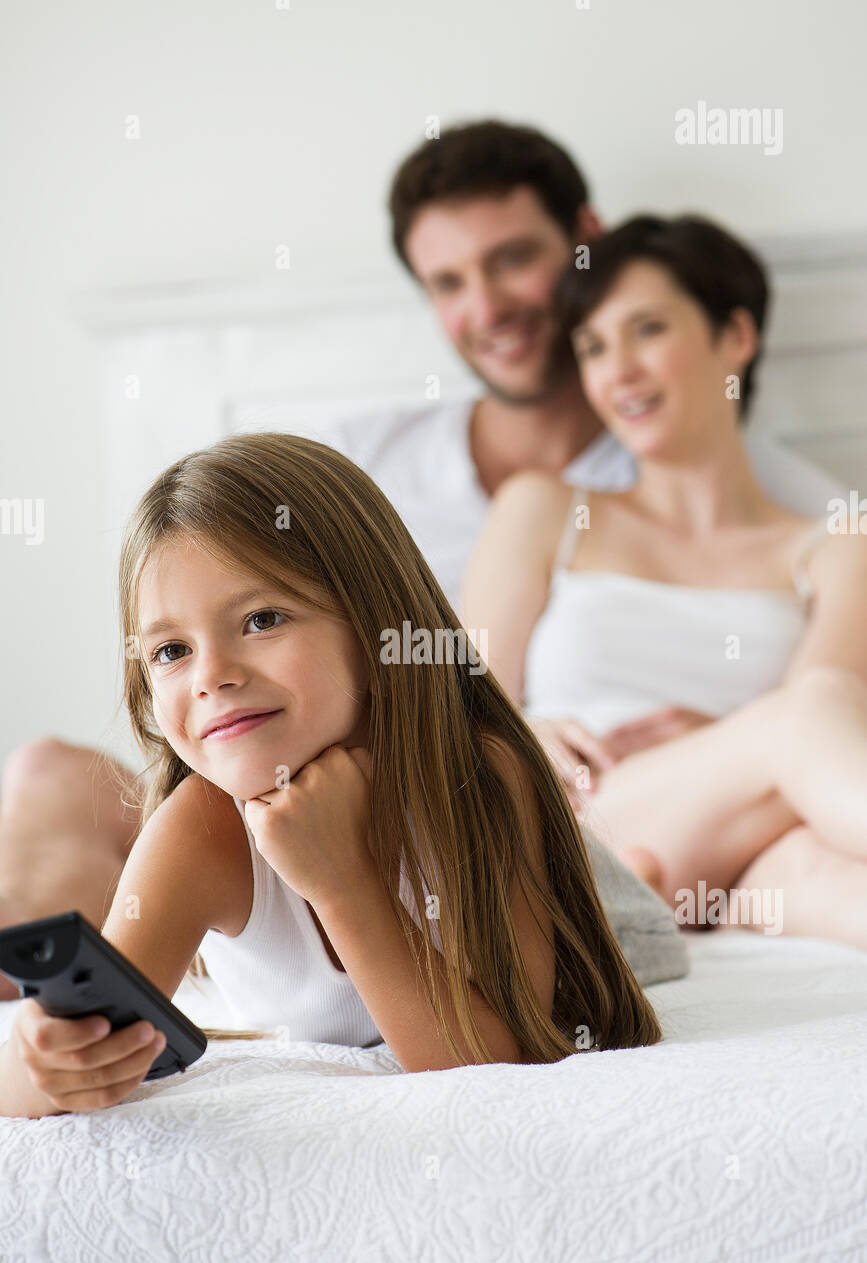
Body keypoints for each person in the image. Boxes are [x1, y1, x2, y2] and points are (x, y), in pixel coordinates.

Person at [0, 118, 841, 990]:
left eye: (512, 259)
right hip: (271, 780)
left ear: (587, 246)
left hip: (470, 831)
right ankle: (63, 1014)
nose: (486, 308)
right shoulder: (347, 464)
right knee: (48, 776)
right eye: (448, 282)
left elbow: (820, 720)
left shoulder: (781, 505)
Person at [0, 433, 662, 1117]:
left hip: (618, 914)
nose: (211, 676)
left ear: (376, 629)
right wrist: (38, 1064)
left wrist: (341, 881)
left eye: (262, 619)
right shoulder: (199, 832)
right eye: (171, 650)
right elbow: (41, 1074)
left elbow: (492, 1064)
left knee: (646, 905)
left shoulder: (480, 772)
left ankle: (649, 869)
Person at [461, 214, 867, 948]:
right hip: (583, 818)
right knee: (802, 720)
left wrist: (726, 743)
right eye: (592, 348)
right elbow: (455, 708)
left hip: (745, 848)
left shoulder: (837, 546)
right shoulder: (543, 509)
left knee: (824, 877)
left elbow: (833, 722)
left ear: (734, 339)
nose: (617, 372)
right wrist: (525, 730)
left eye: (646, 330)